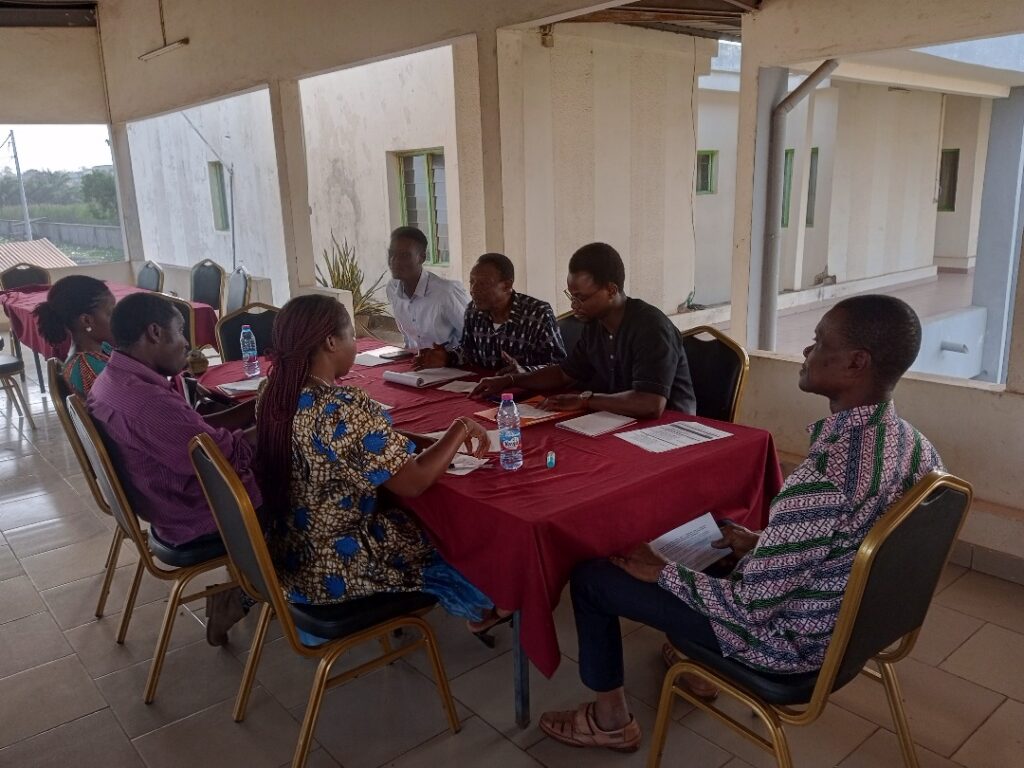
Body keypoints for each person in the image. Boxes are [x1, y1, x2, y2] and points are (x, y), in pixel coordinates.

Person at [537, 294, 942, 752]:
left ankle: (609, 720)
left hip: (789, 646)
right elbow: (846, 539)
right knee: (715, 533)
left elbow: (749, 609)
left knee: (593, 578)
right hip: (858, 625)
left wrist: (663, 572)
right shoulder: (917, 448)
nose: (807, 353)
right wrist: (764, 542)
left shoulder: (825, 478)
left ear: (856, 362)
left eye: (818, 341)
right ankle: (698, 664)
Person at [254, 294, 510, 643]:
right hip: (336, 565)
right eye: (350, 334)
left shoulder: (274, 391)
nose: (355, 342)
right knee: (449, 523)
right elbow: (414, 483)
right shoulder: (342, 407)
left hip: (288, 553)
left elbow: (346, 440)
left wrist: (415, 440)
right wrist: (460, 428)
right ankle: (499, 600)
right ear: (331, 342)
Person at [87, 292, 258, 646]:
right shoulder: (147, 403)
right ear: (154, 333)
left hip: (162, 500)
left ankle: (249, 581)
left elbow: (200, 432)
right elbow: (223, 457)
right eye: (180, 333)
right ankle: (255, 590)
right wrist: (284, 420)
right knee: (314, 477)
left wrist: (259, 407)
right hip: (195, 512)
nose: (187, 345)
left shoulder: (114, 379)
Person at [473, 242, 695, 419]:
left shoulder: (650, 327)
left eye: (582, 298)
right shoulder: (595, 325)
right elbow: (563, 374)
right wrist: (512, 380)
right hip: (619, 421)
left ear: (611, 290)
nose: (574, 306)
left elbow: (650, 403)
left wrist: (586, 400)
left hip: (671, 429)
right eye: (572, 296)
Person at [412, 252, 566, 372]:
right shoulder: (473, 311)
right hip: (485, 390)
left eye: (483, 284)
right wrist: (447, 357)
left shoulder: (538, 314)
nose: (473, 290)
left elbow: (559, 366)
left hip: (525, 395)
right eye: (472, 282)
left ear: (507, 285)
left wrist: (523, 371)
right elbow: (468, 353)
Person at [385, 225, 469, 356]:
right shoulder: (392, 289)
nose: (394, 261)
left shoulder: (446, 292)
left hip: (451, 366)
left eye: (404, 255)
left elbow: (473, 336)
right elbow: (409, 339)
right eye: (391, 254)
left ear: (422, 257)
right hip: (414, 363)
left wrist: (448, 357)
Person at [32, 275, 115, 396]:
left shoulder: (102, 347)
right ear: (86, 320)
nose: (118, 318)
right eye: (110, 313)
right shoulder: (87, 369)